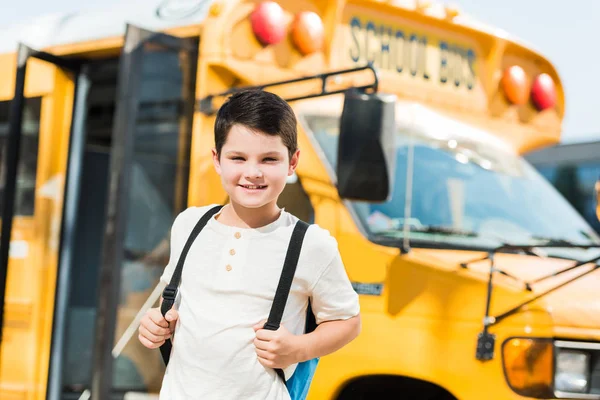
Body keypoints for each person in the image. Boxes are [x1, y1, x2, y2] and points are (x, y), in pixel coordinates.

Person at [138, 89, 361, 399]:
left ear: (292, 162)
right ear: (217, 160)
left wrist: (298, 349)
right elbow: (172, 306)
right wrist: (156, 324)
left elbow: (348, 322)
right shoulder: (188, 225)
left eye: (269, 159)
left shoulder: (311, 244)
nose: (252, 172)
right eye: (238, 158)